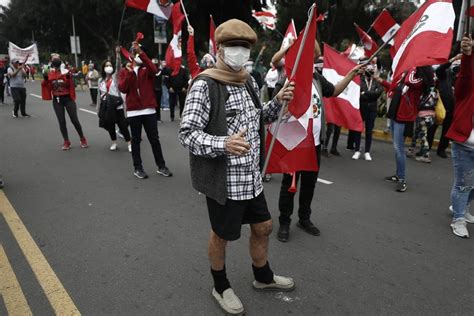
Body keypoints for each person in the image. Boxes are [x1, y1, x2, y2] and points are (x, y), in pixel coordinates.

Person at [179, 19, 297, 315]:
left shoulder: (249, 80)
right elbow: (187, 133)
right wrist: (223, 143)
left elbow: (258, 118)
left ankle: (263, 277)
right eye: (234, 46)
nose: (239, 53)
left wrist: (278, 102)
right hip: (225, 181)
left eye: (244, 47)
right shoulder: (205, 84)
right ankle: (220, 286)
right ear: (219, 48)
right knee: (222, 234)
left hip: (251, 178)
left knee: (264, 226)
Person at [275, 40, 364, 242]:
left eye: (315, 58)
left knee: (309, 184)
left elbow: (333, 91)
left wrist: (351, 74)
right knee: (289, 185)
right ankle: (284, 222)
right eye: (311, 58)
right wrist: (283, 98)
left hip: (314, 144)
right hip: (294, 143)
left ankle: (304, 219)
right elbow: (275, 106)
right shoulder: (288, 78)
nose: (313, 62)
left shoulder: (316, 77)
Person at [118, 41, 173, 179]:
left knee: (154, 139)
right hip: (133, 112)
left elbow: (155, 71)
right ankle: (138, 168)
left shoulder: (147, 68)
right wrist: (130, 73)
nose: (136, 54)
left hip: (149, 110)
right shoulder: (125, 71)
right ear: (130, 55)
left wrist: (141, 53)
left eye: (138, 52)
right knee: (136, 140)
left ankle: (161, 166)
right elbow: (123, 88)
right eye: (134, 52)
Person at [446, 35, 474, 238]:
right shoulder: (467, 87)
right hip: (465, 144)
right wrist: (467, 55)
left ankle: (462, 208)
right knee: (463, 183)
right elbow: (465, 76)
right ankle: (458, 218)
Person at [385, 67, 425, 192]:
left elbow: (409, 82)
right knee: (397, 148)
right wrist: (380, 80)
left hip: (403, 118)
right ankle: (398, 175)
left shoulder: (417, 79)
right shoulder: (404, 76)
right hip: (394, 115)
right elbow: (393, 88)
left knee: (399, 149)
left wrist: (411, 68)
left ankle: (402, 180)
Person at [41, 53, 88, 150]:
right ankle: (66, 141)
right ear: (51, 61)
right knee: (61, 121)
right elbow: (45, 85)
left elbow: (70, 83)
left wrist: (66, 77)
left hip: (67, 98)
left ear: (60, 60)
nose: (55, 60)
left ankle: (82, 138)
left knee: (74, 120)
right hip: (57, 100)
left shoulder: (66, 72)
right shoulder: (49, 73)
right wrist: (46, 78)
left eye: (57, 58)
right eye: (53, 58)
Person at [427, 54, 461, 158]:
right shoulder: (444, 74)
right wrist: (454, 59)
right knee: (433, 127)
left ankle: (442, 149)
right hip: (439, 105)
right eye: (455, 65)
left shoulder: (459, 78)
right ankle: (427, 147)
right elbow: (440, 69)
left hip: (452, 107)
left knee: (447, 129)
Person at [98, 49, 131, 152]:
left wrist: (117, 55)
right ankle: (114, 143)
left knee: (122, 125)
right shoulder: (100, 80)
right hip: (106, 106)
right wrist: (98, 109)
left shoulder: (115, 77)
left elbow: (118, 66)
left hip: (117, 105)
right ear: (103, 68)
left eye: (110, 65)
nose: (109, 67)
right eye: (106, 66)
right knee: (110, 125)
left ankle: (129, 143)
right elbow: (99, 95)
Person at [352, 63, 383, 161]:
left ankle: (367, 152)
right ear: (365, 71)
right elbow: (358, 93)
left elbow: (378, 93)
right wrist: (369, 95)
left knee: (369, 131)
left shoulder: (376, 81)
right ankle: (357, 150)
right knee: (358, 129)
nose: (370, 73)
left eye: (372, 71)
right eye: (369, 70)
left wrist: (365, 93)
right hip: (361, 107)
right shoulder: (360, 80)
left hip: (372, 109)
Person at [152, 58, 164, 123]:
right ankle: (154, 118)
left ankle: (158, 118)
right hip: (153, 89)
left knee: (158, 105)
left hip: (158, 89)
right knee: (153, 105)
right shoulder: (150, 71)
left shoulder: (160, 71)